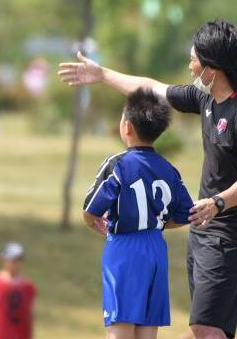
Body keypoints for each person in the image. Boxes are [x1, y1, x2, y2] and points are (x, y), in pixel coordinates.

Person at [59, 19, 237, 339]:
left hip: (225, 228)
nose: (190, 66)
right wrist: (102, 75)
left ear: (213, 67)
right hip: (208, 230)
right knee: (207, 330)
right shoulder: (205, 100)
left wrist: (219, 201)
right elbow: (150, 87)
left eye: (194, 59)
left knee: (207, 332)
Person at [83, 88, 193, 339]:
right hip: (156, 249)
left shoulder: (118, 164)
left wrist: (94, 223)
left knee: (120, 329)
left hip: (124, 248)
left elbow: (91, 209)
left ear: (127, 126)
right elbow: (186, 213)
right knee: (146, 332)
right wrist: (154, 222)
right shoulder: (169, 168)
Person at [0, 242, 37, 339]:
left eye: (19, 260)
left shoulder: (27, 286)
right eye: (12, 260)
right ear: (3, 259)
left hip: (20, 334)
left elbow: (30, 312)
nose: (15, 263)